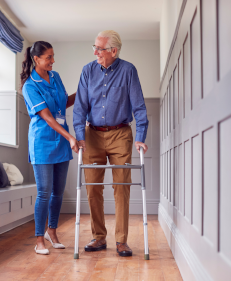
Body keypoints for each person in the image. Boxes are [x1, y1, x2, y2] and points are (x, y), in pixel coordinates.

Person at [73, 30, 149, 257]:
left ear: (113, 51)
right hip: (92, 135)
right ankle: (98, 237)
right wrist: (79, 136)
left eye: (100, 48)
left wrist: (141, 137)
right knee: (92, 188)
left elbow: (139, 107)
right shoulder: (87, 71)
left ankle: (122, 241)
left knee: (122, 187)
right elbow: (79, 108)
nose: (95, 52)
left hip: (120, 134)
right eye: (94, 47)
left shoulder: (128, 70)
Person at [21, 41, 78, 255]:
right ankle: (39, 239)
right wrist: (70, 137)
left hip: (62, 140)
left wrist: (84, 90)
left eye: (53, 56)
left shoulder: (56, 77)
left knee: (58, 193)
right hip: (42, 142)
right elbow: (46, 116)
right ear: (36, 59)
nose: (53, 61)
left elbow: (64, 104)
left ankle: (52, 232)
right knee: (44, 192)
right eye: (49, 57)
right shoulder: (30, 85)